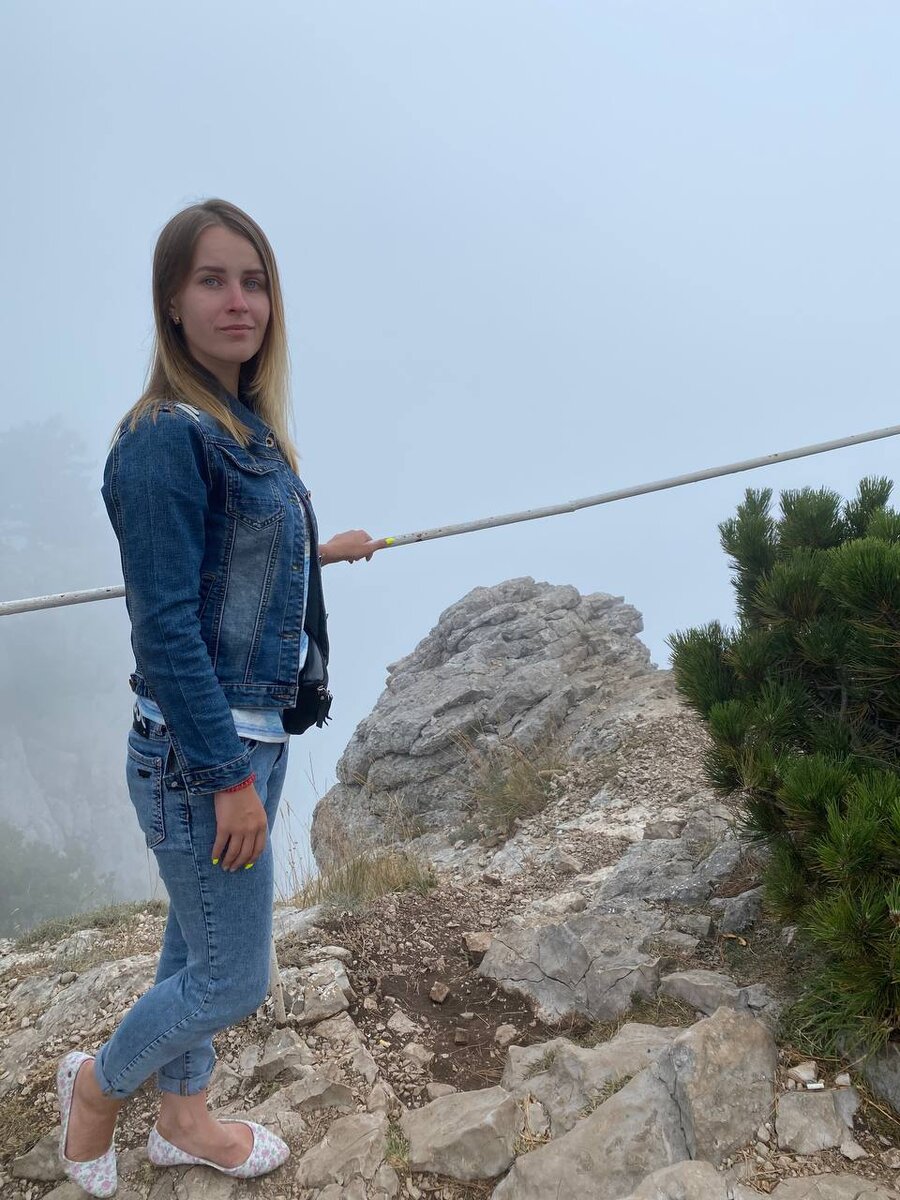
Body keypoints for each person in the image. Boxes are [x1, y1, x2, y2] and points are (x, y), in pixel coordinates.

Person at [55, 198, 385, 1197]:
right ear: (172, 301)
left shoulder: (243, 423)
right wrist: (227, 778)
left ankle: (184, 1119)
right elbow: (164, 629)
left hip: (251, 739)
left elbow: (230, 556)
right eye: (212, 280)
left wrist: (316, 551)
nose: (239, 301)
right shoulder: (162, 439)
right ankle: (96, 1090)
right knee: (234, 977)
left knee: (195, 942)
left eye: (255, 281)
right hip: (201, 755)